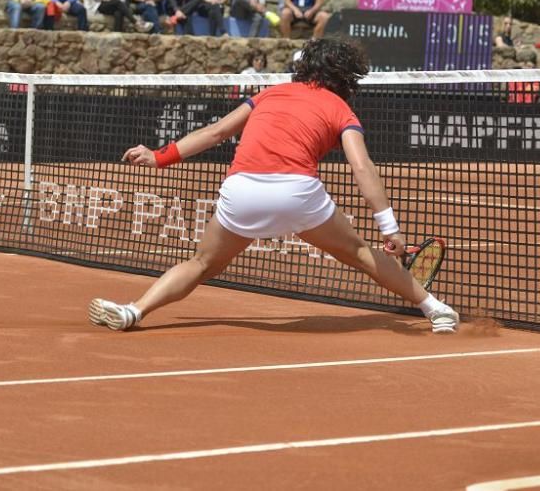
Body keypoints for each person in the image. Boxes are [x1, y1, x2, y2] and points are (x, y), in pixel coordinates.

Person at [89, 38, 459, 333]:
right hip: (297, 194)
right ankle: (436, 309)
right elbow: (362, 167)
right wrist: (389, 228)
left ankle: (134, 310)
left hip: (242, 191)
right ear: (345, 78)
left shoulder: (269, 93)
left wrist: (159, 156)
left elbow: (216, 132)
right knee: (362, 253)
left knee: (200, 263)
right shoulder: (341, 109)